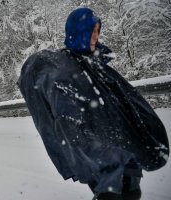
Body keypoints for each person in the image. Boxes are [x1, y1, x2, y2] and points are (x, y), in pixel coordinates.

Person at [18, 7, 169, 200]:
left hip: (124, 152)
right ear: (77, 32)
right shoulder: (63, 72)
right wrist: (109, 160)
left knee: (132, 192)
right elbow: (70, 125)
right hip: (101, 160)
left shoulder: (94, 65)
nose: (95, 36)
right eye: (91, 31)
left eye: (98, 31)